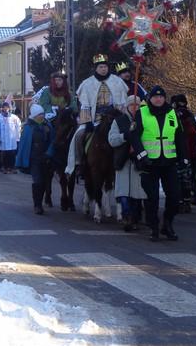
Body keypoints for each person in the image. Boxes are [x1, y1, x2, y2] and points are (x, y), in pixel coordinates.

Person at [130, 85, 189, 242]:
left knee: (175, 197)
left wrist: (183, 158)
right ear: (150, 99)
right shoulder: (142, 113)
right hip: (149, 163)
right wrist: (142, 156)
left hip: (169, 162)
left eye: (161, 96)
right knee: (152, 198)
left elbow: (179, 137)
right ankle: (153, 227)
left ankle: (167, 224)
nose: (158, 99)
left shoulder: (172, 113)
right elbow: (134, 137)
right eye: (155, 97)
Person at [66, 54, 128, 175]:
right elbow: (84, 104)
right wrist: (87, 121)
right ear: (96, 68)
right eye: (101, 67)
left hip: (114, 117)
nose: (103, 69)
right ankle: (80, 162)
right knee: (78, 136)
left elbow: (122, 101)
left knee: (127, 135)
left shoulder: (117, 81)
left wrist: (121, 116)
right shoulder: (87, 83)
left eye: (105, 66)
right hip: (94, 118)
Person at [108, 95, 147, 231]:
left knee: (137, 193)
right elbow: (112, 139)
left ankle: (135, 217)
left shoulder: (145, 120)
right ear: (127, 106)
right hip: (123, 160)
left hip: (138, 160)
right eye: (132, 105)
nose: (134, 107)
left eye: (137, 105)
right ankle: (126, 216)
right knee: (124, 192)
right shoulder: (119, 121)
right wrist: (125, 136)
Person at [16, 104, 53, 215]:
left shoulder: (48, 126)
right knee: (37, 181)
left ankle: (40, 202)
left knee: (44, 182)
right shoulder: (28, 127)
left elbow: (53, 141)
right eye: (39, 115)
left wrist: (49, 153)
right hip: (34, 158)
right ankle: (37, 205)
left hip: (46, 158)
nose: (42, 117)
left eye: (43, 114)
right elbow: (24, 144)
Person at [171, 94, 196, 212]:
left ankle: (182, 201)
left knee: (179, 179)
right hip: (191, 154)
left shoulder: (175, 116)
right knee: (188, 178)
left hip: (181, 153)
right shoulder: (190, 115)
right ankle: (188, 201)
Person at [0, 102, 21, 173]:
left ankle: (11, 167)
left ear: (9, 108)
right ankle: (6, 168)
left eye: (7, 107)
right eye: (4, 107)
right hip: (4, 139)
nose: (6, 109)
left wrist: (18, 138)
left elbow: (18, 128)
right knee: (5, 154)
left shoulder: (14, 117)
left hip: (12, 139)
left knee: (12, 154)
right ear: (2, 108)